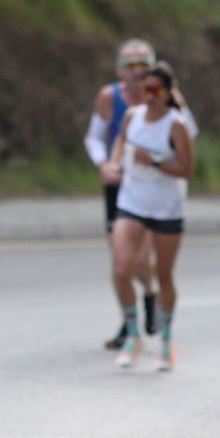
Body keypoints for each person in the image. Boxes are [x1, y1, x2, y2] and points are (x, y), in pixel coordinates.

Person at [102, 65, 195, 371]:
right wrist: (115, 163)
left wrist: (155, 162)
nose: (150, 97)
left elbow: (186, 170)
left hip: (166, 207)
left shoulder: (176, 125)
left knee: (164, 275)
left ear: (167, 94)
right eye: (145, 90)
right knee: (121, 268)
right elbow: (120, 141)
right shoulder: (132, 117)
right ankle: (132, 334)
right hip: (133, 202)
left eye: (156, 91)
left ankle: (166, 339)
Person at [86, 39, 158, 350]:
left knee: (140, 259)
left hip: (149, 187)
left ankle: (150, 295)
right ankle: (129, 325)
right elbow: (94, 138)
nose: (136, 70)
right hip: (117, 188)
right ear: (118, 69)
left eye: (143, 63)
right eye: (129, 64)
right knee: (120, 262)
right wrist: (104, 164)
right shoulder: (109, 97)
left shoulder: (161, 98)